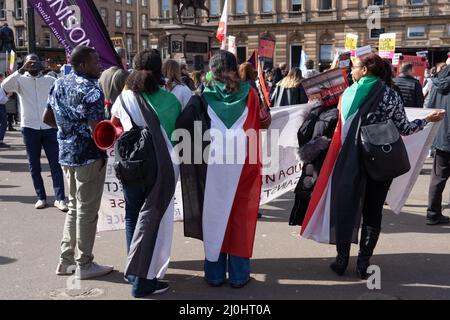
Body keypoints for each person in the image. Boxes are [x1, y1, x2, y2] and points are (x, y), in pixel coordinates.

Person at [300, 53, 445, 279]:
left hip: (347, 161)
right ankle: (363, 264)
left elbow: (339, 127)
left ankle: (341, 260)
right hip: (379, 161)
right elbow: (405, 129)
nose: (351, 71)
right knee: (372, 212)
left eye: (355, 67)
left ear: (365, 70)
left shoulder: (347, 93)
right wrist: (427, 120)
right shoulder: (391, 94)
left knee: (345, 207)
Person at [177, 50, 263, 289]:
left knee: (214, 216)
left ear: (211, 70)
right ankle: (238, 274)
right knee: (239, 218)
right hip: (244, 163)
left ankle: (214, 273)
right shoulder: (251, 95)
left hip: (211, 165)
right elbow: (257, 127)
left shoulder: (202, 95)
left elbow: (183, 125)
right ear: (235, 68)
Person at [111, 49, 181, 298]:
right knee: (154, 222)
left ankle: (133, 270)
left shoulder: (124, 96)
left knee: (132, 216)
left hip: (130, 165)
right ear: (159, 70)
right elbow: (176, 137)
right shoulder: (169, 100)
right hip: (160, 168)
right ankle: (144, 281)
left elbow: (115, 125)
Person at [45, 45, 113, 280]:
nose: (100, 66)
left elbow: (47, 118)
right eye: (95, 63)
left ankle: (65, 261)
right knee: (87, 211)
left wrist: (69, 131)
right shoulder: (93, 90)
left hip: (65, 154)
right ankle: (84, 263)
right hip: (88, 156)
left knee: (74, 207)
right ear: (82, 65)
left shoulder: (58, 83)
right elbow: (98, 132)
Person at [2, 54, 67, 211]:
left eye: (34, 63)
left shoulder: (50, 80)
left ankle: (60, 198)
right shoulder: (19, 80)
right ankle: (41, 197)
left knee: (56, 164)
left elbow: (62, 92)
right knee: (34, 166)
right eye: (28, 63)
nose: (32, 66)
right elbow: (4, 86)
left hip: (50, 127)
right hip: (29, 128)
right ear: (24, 65)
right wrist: (20, 70)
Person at [425, 62, 450, 225]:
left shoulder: (435, 82)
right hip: (443, 135)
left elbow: (429, 107)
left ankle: (433, 213)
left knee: (438, 177)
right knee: (438, 177)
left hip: (441, 136)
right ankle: (433, 213)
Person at [98, 47, 130, 119]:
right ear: (122, 59)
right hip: (120, 115)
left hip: (106, 113)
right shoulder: (123, 74)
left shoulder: (103, 74)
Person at [0, 73, 9, 148]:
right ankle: (0, 140)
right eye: (3, 78)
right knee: (3, 124)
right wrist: (8, 95)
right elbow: (1, 100)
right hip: (1, 106)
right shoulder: (0, 87)